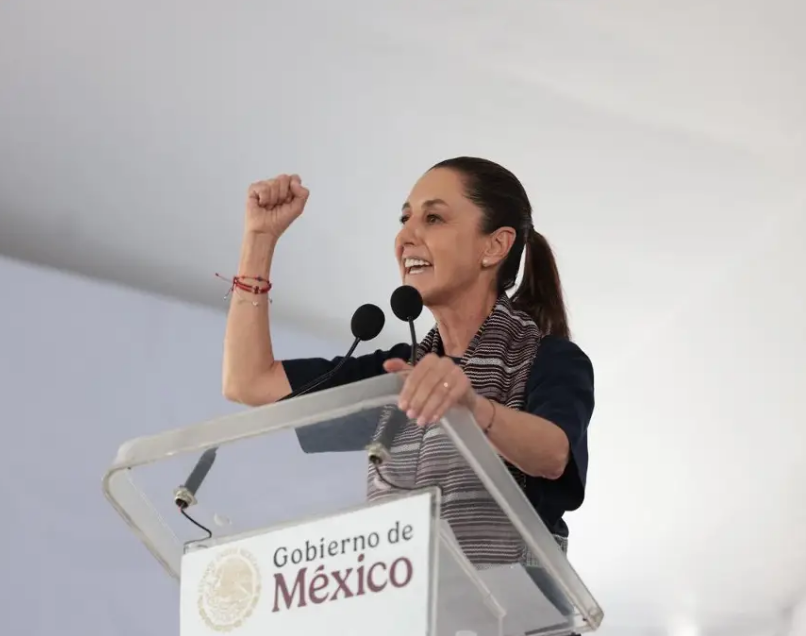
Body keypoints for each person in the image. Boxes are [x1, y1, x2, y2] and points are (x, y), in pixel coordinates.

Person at [221, 157, 594, 568]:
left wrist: (472, 409)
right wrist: (259, 240)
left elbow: (553, 455)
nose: (405, 236)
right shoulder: (397, 374)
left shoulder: (550, 359)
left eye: (433, 218)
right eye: (405, 219)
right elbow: (248, 382)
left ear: (494, 246)